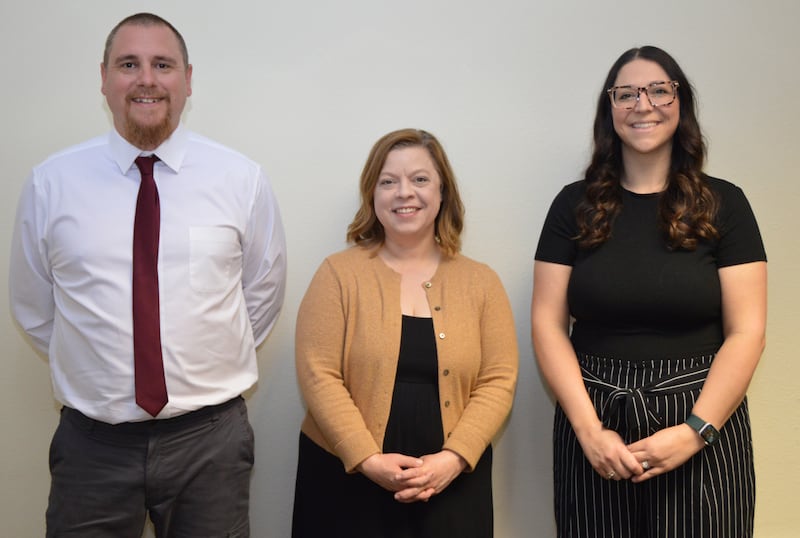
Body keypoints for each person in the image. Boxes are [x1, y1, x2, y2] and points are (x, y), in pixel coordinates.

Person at [8, 12, 286, 537]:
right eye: (128, 64)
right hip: (92, 445)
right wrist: (100, 368)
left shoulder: (240, 179)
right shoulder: (51, 183)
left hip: (210, 441)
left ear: (187, 79)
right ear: (104, 79)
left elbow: (262, 295)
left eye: (163, 64)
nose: (147, 79)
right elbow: (35, 307)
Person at [531, 45, 766, 537]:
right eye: (626, 94)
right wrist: (588, 431)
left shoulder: (727, 204)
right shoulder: (571, 206)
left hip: (701, 420)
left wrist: (694, 431)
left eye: (659, 90)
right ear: (609, 109)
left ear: (681, 105)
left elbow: (747, 332)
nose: (643, 104)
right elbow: (548, 324)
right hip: (597, 426)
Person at [291, 128, 518, 537]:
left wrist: (454, 457)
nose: (403, 193)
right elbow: (317, 374)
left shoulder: (482, 282)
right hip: (346, 479)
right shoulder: (337, 275)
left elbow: (498, 380)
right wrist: (366, 458)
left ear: (443, 191)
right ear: (372, 194)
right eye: (388, 181)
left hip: (453, 482)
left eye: (419, 179)